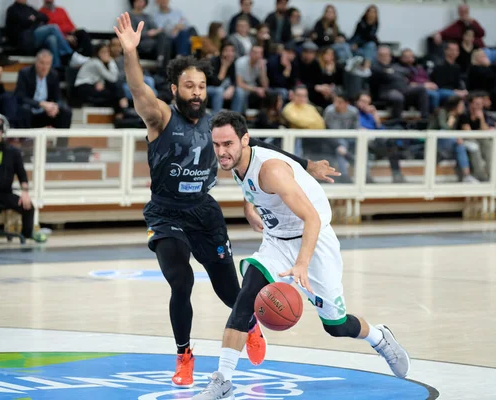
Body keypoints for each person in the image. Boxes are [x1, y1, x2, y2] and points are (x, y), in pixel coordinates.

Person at [112, 12, 339, 387]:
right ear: (174, 90)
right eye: (189, 86)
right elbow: (138, 90)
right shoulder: (160, 118)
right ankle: (184, 354)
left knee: (228, 289)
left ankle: (249, 325)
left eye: (201, 85)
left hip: (204, 211)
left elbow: (256, 147)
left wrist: (305, 165)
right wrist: (131, 54)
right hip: (167, 213)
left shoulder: (216, 127)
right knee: (180, 281)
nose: (197, 92)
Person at [192, 111, 410, 399]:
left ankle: (379, 337)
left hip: (314, 241)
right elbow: (250, 181)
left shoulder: (271, 171)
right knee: (244, 299)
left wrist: (302, 265)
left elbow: (312, 219)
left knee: (337, 325)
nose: (221, 151)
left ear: (244, 141)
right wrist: (250, 206)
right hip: (277, 241)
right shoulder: (235, 159)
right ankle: (223, 380)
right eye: (216, 145)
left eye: (228, 144)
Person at [0, 114, 48, 242]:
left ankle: (27, 234)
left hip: (4, 194)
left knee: (28, 206)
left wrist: (25, 192)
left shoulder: (12, 152)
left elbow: (22, 174)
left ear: (2, 130)